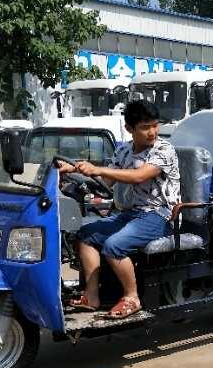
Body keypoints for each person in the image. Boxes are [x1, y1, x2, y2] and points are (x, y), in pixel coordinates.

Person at [60, 100, 180, 319]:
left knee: (114, 246)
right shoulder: (123, 150)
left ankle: (132, 298)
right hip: (130, 214)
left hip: (159, 214)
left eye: (155, 125)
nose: (152, 132)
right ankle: (92, 295)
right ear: (129, 129)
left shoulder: (164, 149)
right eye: (145, 127)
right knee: (85, 236)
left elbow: (139, 176)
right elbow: (107, 181)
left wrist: (96, 168)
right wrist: (74, 171)